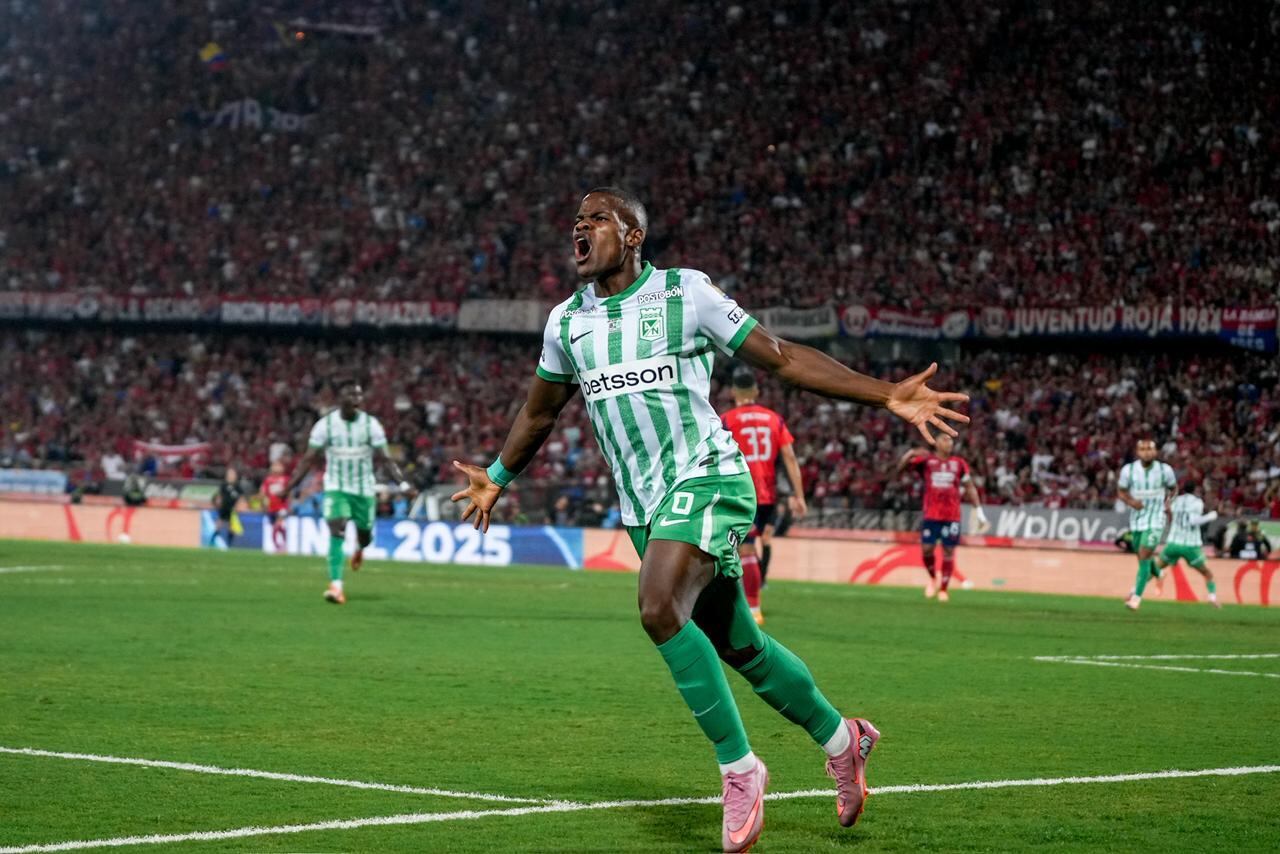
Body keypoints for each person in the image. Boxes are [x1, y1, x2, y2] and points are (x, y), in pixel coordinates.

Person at [450, 188, 970, 852]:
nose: (579, 227)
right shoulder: (566, 324)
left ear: (634, 234)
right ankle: (845, 739)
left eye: (596, 218)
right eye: (575, 220)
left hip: (709, 474)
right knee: (740, 647)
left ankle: (740, 769)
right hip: (644, 506)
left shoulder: (685, 294)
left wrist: (884, 393)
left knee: (657, 605)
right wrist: (496, 477)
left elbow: (781, 357)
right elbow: (539, 413)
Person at [285, 380, 411, 605]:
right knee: (337, 527)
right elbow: (308, 458)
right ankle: (336, 586)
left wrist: (403, 484)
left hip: (363, 489)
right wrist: (290, 485)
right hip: (336, 487)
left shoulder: (371, 425)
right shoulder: (325, 426)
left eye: (359, 396)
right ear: (339, 398)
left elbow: (385, 458)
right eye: (351, 395)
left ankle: (360, 548)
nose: (356, 400)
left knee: (365, 535)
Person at [721, 366, 806, 624]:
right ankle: (752, 604)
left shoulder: (726, 420)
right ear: (756, 391)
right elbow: (790, 457)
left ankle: (753, 608)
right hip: (768, 494)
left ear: (734, 392)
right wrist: (799, 495)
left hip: (740, 492)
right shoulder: (774, 419)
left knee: (743, 550)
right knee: (753, 547)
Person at [896, 435, 987, 602]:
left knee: (948, 551)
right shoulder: (927, 462)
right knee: (927, 550)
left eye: (951, 441)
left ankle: (944, 589)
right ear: (937, 444)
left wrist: (979, 511)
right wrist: (909, 454)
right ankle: (933, 578)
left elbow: (969, 487)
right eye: (945, 441)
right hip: (931, 514)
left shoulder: (959, 464)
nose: (949, 444)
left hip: (952, 516)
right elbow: (899, 471)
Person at [1117, 438, 1177, 610]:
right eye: (1143, 449)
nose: (1147, 452)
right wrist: (1131, 501)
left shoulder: (1165, 470)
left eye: (1150, 449)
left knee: (1144, 555)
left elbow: (1174, 488)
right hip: (1137, 520)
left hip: (1156, 518)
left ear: (1155, 451)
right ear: (1138, 452)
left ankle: (1136, 597)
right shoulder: (1128, 470)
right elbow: (1121, 491)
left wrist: (1168, 502)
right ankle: (1159, 573)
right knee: (1142, 555)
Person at [1154, 481, 1222, 607]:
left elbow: (1168, 515)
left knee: (1155, 568)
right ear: (1195, 489)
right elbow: (1193, 521)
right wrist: (1211, 516)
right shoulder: (1197, 502)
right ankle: (1212, 597)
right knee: (1207, 574)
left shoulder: (1176, 501)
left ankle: (1134, 593)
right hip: (1190, 545)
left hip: (1173, 543)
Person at [210, 467, 245, 549]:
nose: (231, 476)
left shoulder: (238, 487)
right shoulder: (224, 485)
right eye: (229, 474)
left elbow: (241, 498)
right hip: (224, 507)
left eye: (232, 474)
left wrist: (239, 506)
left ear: (236, 476)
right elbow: (219, 496)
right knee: (219, 524)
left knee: (231, 527)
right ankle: (212, 541)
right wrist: (218, 502)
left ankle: (229, 544)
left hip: (232, 509)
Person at [259, 459, 290, 551]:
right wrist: (263, 502)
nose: (276, 467)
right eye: (275, 465)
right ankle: (280, 546)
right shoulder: (268, 480)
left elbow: (290, 493)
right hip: (271, 508)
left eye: (279, 465)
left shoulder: (286, 479)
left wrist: (289, 503)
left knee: (278, 525)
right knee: (276, 527)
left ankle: (279, 546)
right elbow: (263, 492)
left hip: (282, 507)